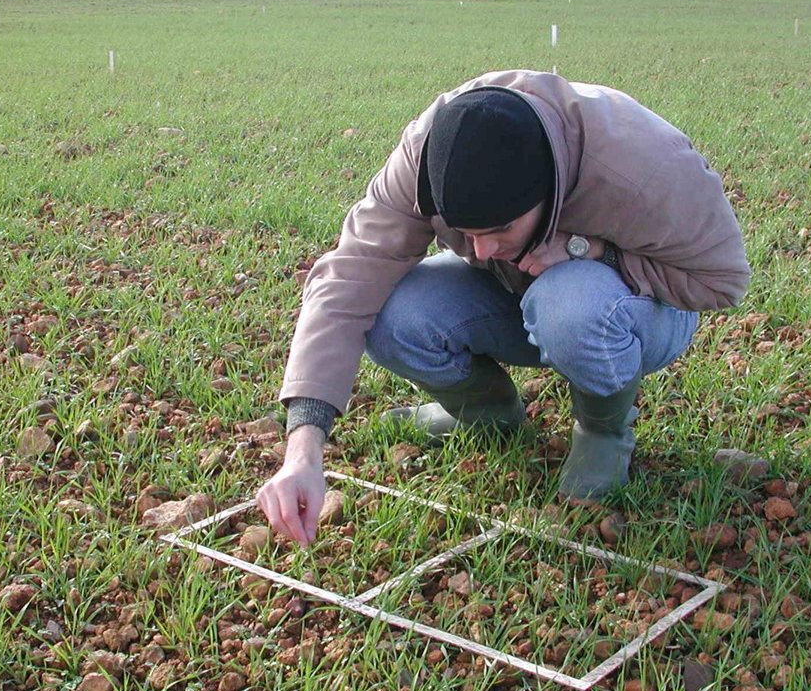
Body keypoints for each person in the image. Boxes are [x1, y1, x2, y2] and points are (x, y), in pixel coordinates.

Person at [255, 70, 750, 545]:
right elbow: (347, 282)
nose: (481, 249)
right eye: (466, 233)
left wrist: (592, 250)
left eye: (499, 231)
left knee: (570, 306)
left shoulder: (642, 165)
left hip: (636, 312)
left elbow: (721, 281)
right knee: (392, 312)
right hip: (518, 294)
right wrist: (303, 450)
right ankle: (487, 413)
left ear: (548, 193)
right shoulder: (428, 157)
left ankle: (603, 431)